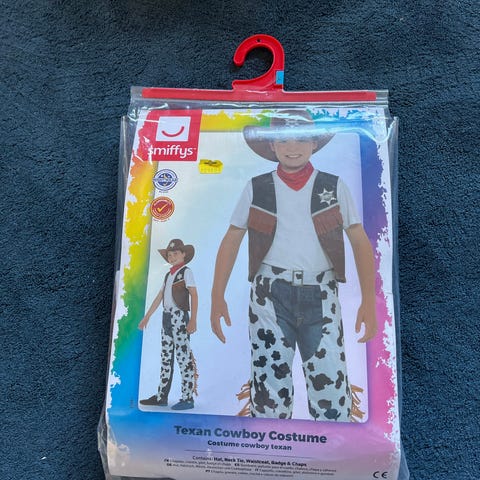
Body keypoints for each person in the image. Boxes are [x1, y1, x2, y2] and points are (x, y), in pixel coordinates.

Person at [210, 110, 377, 421]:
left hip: (322, 295)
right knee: (268, 390)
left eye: (301, 139)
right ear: (272, 145)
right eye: (283, 140)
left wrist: (369, 299)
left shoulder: (333, 186)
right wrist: (216, 296)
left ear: (314, 143)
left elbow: (358, 238)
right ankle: (269, 445)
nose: (292, 147)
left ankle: (336, 445)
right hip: (268, 295)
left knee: (332, 389)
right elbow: (232, 237)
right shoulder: (257, 187)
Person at [139, 239, 198, 411]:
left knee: (183, 357)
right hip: (166, 318)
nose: (172, 257)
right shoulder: (168, 275)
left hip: (179, 318)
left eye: (175, 254)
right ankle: (161, 396)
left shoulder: (186, 272)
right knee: (166, 357)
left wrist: (193, 319)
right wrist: (147, 316)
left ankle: (187, 397)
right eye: (170, 255)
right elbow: (160, 296)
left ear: (184, 254)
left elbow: (194, 295)